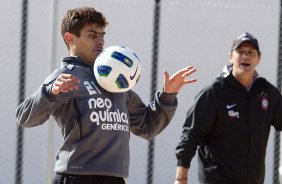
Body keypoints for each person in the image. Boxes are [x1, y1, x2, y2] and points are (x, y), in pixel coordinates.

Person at [16, 7, 197, 184]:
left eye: (102, 35)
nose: (100, 41)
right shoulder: (67, 76)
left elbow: (147, 127)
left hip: (115, 178)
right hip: (76, 177)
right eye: (92, 35)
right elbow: (25, 118)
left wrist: (168, 95)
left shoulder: (114, 79)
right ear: (70, 38)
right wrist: (50, 92)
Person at [174, 32, 282, 184]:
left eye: (251, 52)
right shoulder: (214, 92)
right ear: (231, 56)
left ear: (258, 58)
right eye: (241, 52)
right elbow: (190, 135)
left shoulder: (267, 92)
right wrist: (181, 178)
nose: (246, 56)